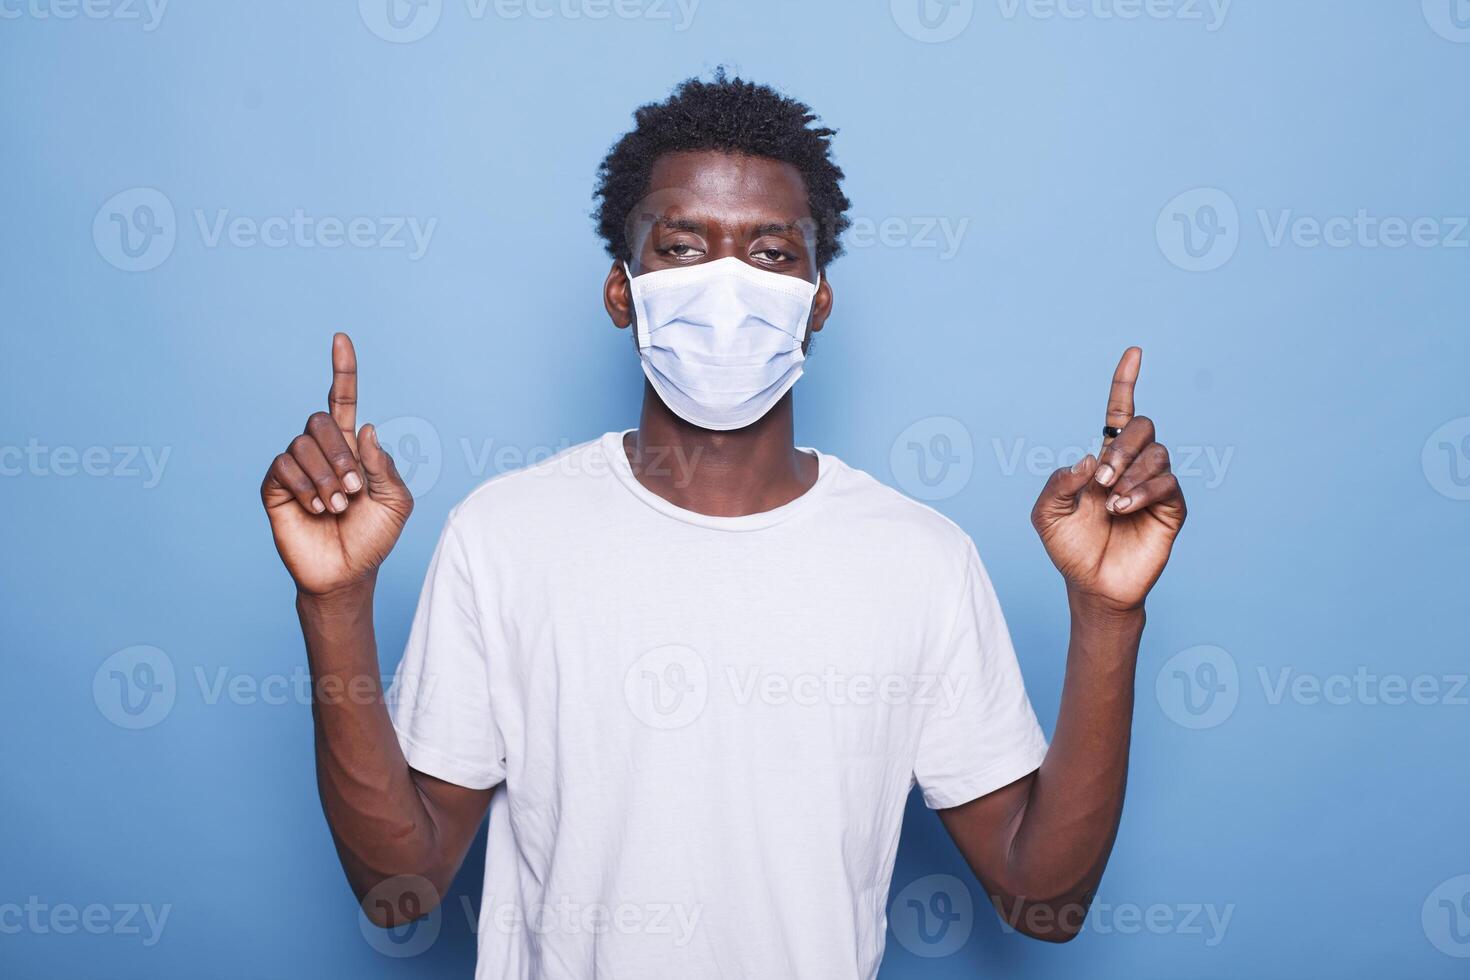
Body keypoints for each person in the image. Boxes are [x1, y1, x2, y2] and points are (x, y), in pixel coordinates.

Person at [259, 72, 1187, 979]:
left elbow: (1042, 899)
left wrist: (1108, 616)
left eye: (773, 254)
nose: (729, 287)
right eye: (684, 248)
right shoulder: (504, 537)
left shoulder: (921, 561)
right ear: (623, 291)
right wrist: (334, 604)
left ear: (817, 303)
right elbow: (401, 889)